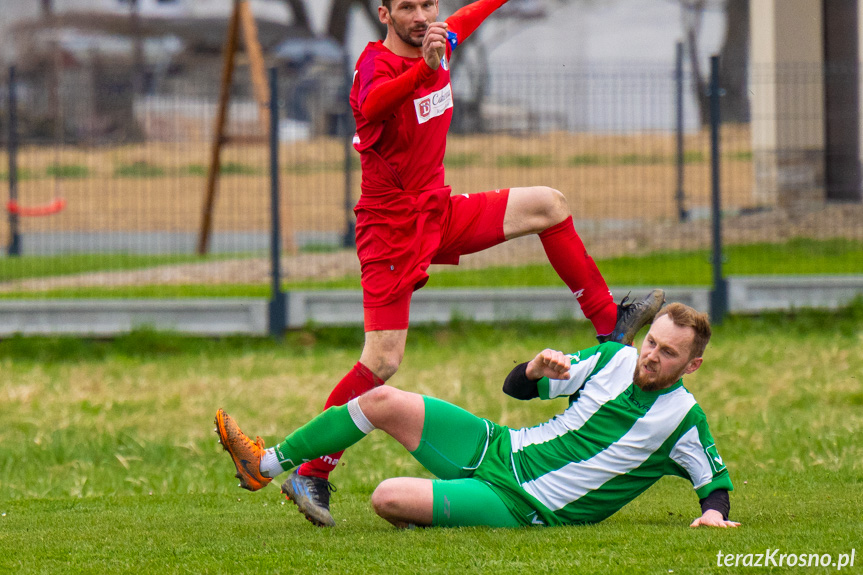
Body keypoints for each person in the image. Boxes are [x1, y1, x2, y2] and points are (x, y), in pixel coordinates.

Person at [251, 0, 665, 527]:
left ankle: (611, 326)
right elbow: (373, 105)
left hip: (437, 211)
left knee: (549, 205)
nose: (421, 15)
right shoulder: (375, 65)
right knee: (381, 361)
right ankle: (312, 470)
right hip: (391, 229)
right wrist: (423, 68)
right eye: (407, 7)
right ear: (384, 14)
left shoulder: (439, 39)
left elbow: (471, 16)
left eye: (428, 3)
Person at [215, 303, 739, 529]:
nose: (651, 355)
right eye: (651, 342)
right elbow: (515, 387)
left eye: (668, 353)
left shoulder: (683, 420)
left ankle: (442, 510)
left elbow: (713, 484)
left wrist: (714, 514)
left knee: (386, 498)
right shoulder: (612, 358)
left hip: (519, 503)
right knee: (380, 400)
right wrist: (534, 369)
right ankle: (264, 466)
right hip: (497, 446)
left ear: (692, 364)